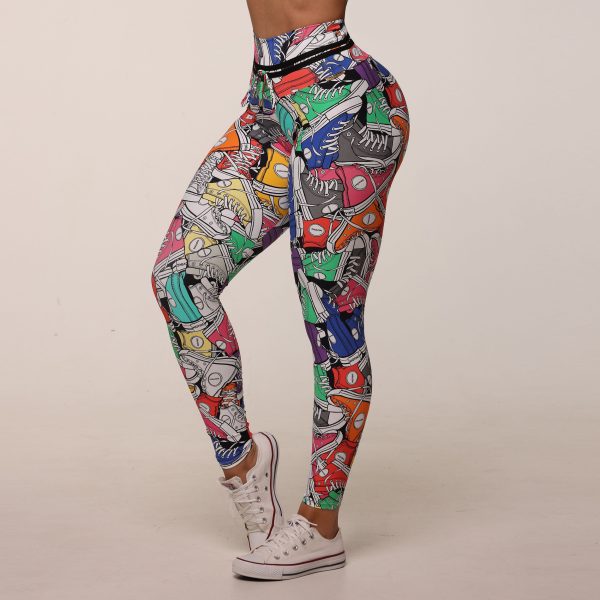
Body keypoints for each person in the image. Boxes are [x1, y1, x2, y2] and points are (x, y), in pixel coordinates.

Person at [150, 0, 410, 580]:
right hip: (268, 106)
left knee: (331, 321)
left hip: (346, 105)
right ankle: (243, 461)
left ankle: (321, 524)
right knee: (179, 278)